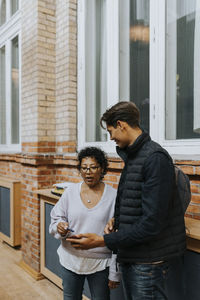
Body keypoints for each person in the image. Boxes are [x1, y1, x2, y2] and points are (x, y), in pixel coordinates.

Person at [67, 101, 186, 300]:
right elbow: (137, 202)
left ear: (122, 124)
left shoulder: (155, 158)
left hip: (148, 262)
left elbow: (151, 223)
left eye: (111, 131)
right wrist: (118, 220)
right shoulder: (135, 155)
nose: (111, 137)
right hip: (136, 257)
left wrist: (101, 240)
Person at [49, 146, 120, 300]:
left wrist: (115, 272)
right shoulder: (70, 192)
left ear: (102, 169)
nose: (88, 172)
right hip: (70, 259)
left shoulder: (113, 196)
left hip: (100, 263)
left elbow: (118, 237)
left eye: (93, 167)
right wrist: (60, 227)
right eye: (84, 168)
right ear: (80, 170)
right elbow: (56, 220)